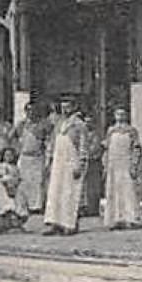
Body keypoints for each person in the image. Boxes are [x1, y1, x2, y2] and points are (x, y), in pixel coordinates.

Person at [42, 98, 87, 235]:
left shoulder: (79, 124)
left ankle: (70, 224)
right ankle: (55, 223)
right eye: (63, 107)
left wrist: (80, 163)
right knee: (55, 192)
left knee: (69, 192)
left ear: (73, 107)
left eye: (67, 107)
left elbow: (83, 145)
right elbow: (52, 142)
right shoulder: (59, 123)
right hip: (58, 161)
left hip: (71, 160)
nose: (65, 110)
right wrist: (48, 160)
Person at [101, 107, 142, 230]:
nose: (120, 117)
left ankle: (130, 218)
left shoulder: (131, 131)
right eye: (117, 114)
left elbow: (136, 148)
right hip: (113, 164)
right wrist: (105, 165)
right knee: (113, 190)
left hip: (126, 163)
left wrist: (134, 165)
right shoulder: (111, 131)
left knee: (128, 190)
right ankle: (114, 219)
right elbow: (107, 149)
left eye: (122, 114)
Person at [13, 101, 50, 225]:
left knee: (38, 182)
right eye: (28, 110)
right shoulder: (21, 125)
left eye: (33, 110)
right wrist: (17, 149)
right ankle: (26, 206)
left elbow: (48, 140)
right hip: (25, 156)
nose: (31, 113)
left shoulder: (43, 125)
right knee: (25, 182)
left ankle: (37, 206)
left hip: (37, 156)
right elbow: (12, 137)